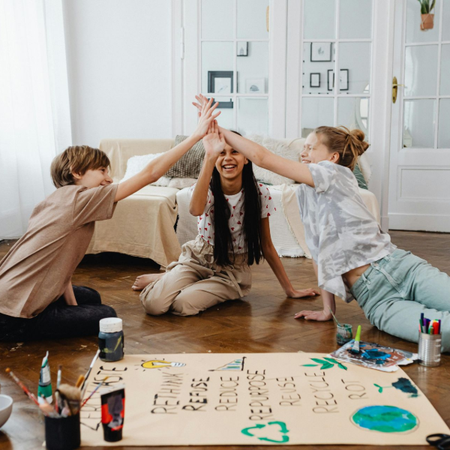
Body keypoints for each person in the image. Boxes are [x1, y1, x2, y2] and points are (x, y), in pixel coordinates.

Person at [192, 94, 450, 351]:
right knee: (442, 335)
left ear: (333, 157)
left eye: (311, 147)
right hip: (378, 301)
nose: (303, 151)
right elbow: (318, 251)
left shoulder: (334, 174)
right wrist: (328, 309)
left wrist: (216, 128)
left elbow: (263, 158)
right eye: (303, 146)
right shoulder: (306, 193)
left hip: (404, 269)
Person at [0, 98, 220, 341]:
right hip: (15, 316)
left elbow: (60, 264)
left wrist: (73, 309)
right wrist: (195, 136)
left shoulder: (52, 201)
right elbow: (151, 173)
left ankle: (50, 309)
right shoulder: (81, 199)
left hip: (6, 295)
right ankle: (36, 320)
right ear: (76, 172)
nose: (108, 178)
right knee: (105, 315)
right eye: (102, 171)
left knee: (90, 298)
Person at [135, 120, 319, 316]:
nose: (228, 158)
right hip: (197, 260)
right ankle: (171, 277)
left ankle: (172, 279)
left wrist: (290, 290)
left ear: (246, 158)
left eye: (235, 152)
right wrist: (209, 156)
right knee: (154, 305)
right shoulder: (206, 189)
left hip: (231, 273)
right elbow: (196, 209)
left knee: (181, 305)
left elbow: (266, 244)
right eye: (221, 153)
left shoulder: (260, 194)